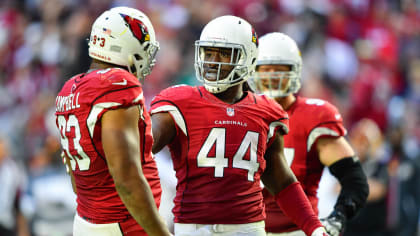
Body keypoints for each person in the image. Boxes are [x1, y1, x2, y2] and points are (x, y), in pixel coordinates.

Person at [150, 15, 328, 236]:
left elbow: (281, 181)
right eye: (208, 52)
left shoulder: (266, 111)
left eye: (224, 53)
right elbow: (143, 147)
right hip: (194, 227)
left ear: (248, 58)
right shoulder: (180, 101)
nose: (212, 61)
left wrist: (314, 226)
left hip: (248, 229)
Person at [55, 7, 171, 236]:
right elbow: (127, 179)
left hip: (87, 220)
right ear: (127, 46)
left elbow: (76, 182)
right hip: (122, 224)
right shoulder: (117, 84)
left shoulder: (70, 88)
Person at [251, 32, 369, 236]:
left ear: (295, 72)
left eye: (279, 70)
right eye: (265, 69)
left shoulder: (314, 117)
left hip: (297, 230)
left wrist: (338, 216)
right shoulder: (239, 114)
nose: (272, 76)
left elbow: (354, 180)